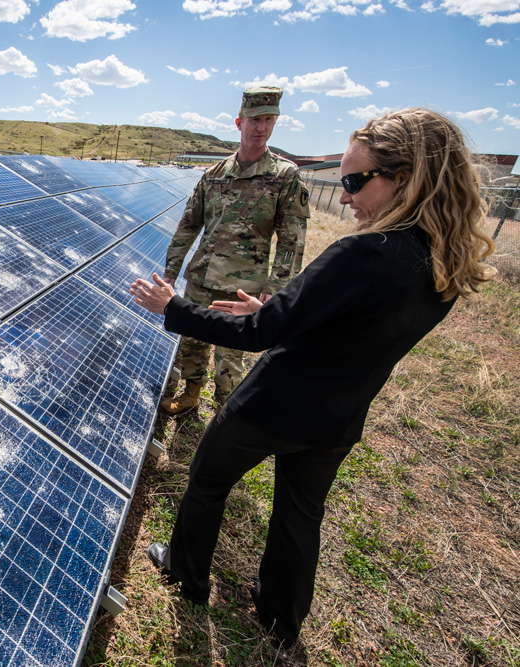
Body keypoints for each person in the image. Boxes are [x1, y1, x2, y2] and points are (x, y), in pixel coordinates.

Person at [130, 108, 495, 647]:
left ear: (404, 179)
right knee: (300, 515)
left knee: (207, 480)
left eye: (353, 182)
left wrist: (176, 308)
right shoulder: (444, 264)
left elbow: (258, 334)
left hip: (273, 405)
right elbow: (352, 328)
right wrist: (280, 313)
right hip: (338, 419)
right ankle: (281, 619)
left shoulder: (362, 254)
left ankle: (186, 573)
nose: (344, 197)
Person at [160, 86, 310, 415]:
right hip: (200, 278)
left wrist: (275, 291)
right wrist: (171, 272)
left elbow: (291, 240)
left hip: (242, 287)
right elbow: (188, 225)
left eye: (269, 120)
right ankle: (191, 394)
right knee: (192, 342)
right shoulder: (213, 175)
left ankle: (225, 413)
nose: (261, 127)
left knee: (231, 355)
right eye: (255, 120)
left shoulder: (285, 176)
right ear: (239, 122)